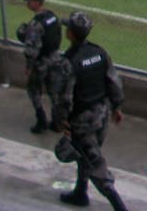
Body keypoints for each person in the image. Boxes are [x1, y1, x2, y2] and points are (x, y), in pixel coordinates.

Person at [51, 11, 129, 210]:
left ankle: (119, 206)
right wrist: (117, 106)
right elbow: (113, 81)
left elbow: (64, 97)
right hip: (102, 115)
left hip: (82, 120)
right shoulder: (99, 52)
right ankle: (80, 192)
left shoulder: (68, 62)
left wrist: (61, 120)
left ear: (71, 34)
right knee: (84, 156)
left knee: (94, 163)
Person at [16, 0, 63, 133]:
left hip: (41, 63)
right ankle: (58, 122)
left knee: (33, 90)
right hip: (55, 59)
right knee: (54, 92)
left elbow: (32, 50)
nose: (27, 3)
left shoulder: (35, 24)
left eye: (29, 1)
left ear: (36, 3)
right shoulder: (53, 16)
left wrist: (29, 66)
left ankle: (41, 120)